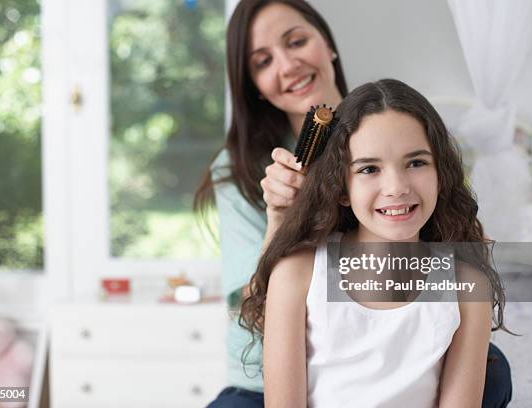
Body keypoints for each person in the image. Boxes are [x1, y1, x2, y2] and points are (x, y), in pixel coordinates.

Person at [194, 1, 511, 406]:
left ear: (327, 44)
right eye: (263, 61)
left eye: (297, 41)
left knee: (493, 369)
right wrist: (278, 221)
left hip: (409, 331)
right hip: (263, 374)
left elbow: (462, 245)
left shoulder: (392, 117)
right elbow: (254, 309)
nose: (288, 65)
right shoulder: (240, 171)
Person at [240, 79, 509, 407]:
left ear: (442, 176)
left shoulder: (467, 284)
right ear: (340, 188)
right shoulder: (298, 274)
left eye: (416, 163)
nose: (396, 187)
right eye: (369, 169)